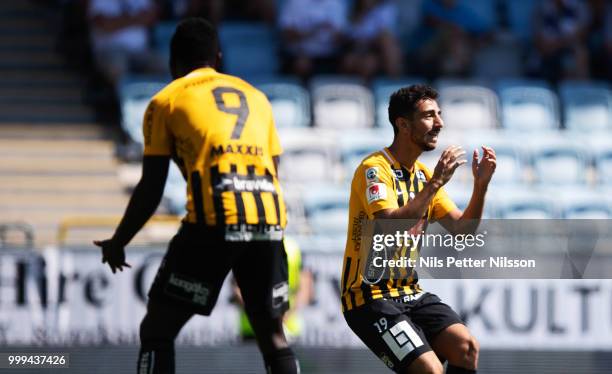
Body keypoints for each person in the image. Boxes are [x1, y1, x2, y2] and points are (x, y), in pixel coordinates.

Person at [94, 18, 299, 374]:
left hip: (215, 217)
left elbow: (151, 186)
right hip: (268, 216)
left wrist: (119, 241)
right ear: (217, 58)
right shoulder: (257, 97)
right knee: (272, 332)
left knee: (158, 328)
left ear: (174, 62)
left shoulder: (166, 100)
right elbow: (273, 167)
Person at [340, 85, 496, 373]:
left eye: (439, 114)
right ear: (403, 124)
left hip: (409, 291)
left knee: (466, 347)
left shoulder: (423, 175)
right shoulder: (374, 169)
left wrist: (480, 187)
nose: (439, 123)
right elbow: (389, 223)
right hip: (368, 297)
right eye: (428, 116)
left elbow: (463, 230)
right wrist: (435, 183)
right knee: (430, 371)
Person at [278, 0, 347, 79]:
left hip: (329, 56)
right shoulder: (294, 2)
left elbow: (342, 37)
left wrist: (333, 33)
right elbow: (287, 34)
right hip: (298, 53)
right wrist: (315, 30)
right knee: (302, 65)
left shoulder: (336, 3)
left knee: (348, 62)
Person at [339, 0, 403, 79]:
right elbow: (347, 34)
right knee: (352, 61)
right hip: (355, 49)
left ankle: (394, 79)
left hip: (377, 51)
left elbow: (386, 35)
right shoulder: (352, 11)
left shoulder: (386, 9)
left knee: (383, 46)